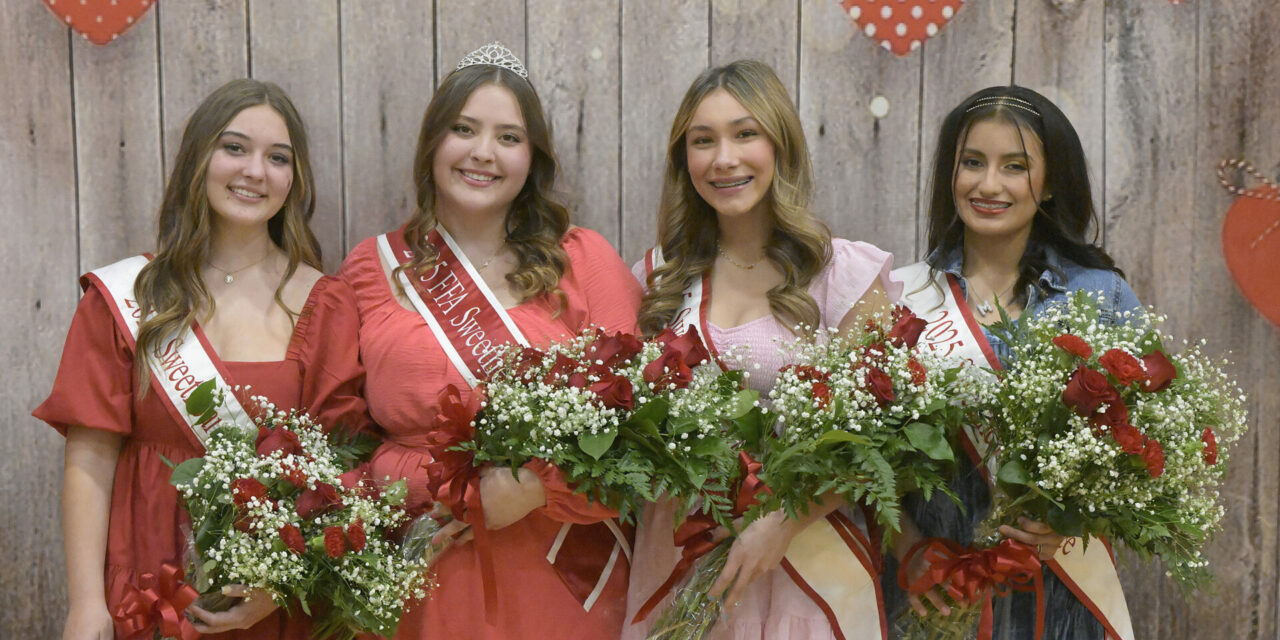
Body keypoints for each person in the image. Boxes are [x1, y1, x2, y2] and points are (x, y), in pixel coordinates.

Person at [35, 78, 368, 640]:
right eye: (234, 147)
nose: (255, 171)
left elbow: (340, 465)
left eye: (278, 157)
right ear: (199, 158)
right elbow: (91, 456)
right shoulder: (126, 300)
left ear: (295, 177)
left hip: (272, 598)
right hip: (146, 585)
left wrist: (278, 585)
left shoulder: (325, 302)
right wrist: (86, 603)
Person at [337, 42, 642, 640]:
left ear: (533, 157)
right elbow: (345, 437)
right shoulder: (372, 267)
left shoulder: (584, 259)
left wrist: (532, 490)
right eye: (463, 129)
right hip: (425, 565)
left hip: (562, 570)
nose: (483, 153)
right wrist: (426, 485)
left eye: (508, 137)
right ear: (433, 144)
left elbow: (640, 434)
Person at [623, 59, 901, 640]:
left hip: (803, 562)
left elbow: (880, 434)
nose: (724, 158)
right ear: (685, 161)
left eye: (745, 134)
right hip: (679, 559)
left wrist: (781, 521)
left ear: (780, 145)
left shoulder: (844, 275)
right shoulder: (656, 278)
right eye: (703, 141)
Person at [888, 85, 1139, 639]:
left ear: (1050, 183)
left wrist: (1079, 523)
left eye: (1015, 166)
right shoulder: (904, 298)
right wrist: (910, 551)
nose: (988, 184)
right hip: (935, 590)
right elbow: (867, 467)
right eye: (972, 162)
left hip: (1063, 591)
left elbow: (1146, 452)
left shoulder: (1102, 297)